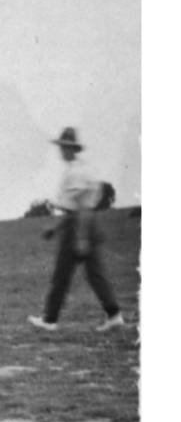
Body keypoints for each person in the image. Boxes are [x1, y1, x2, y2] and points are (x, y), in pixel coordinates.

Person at [28, 127, 125, 333]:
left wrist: (80, 238)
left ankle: (50, 319)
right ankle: (114, 315)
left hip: (78, 227)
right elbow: (77, 209)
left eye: (63, 147)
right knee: (95, 275)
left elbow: (80, 207)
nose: (61, 151)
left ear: (70, 148)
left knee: (61, 275)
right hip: (87, 224)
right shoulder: (82, 168)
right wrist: (55, 228)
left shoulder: (75, 173)